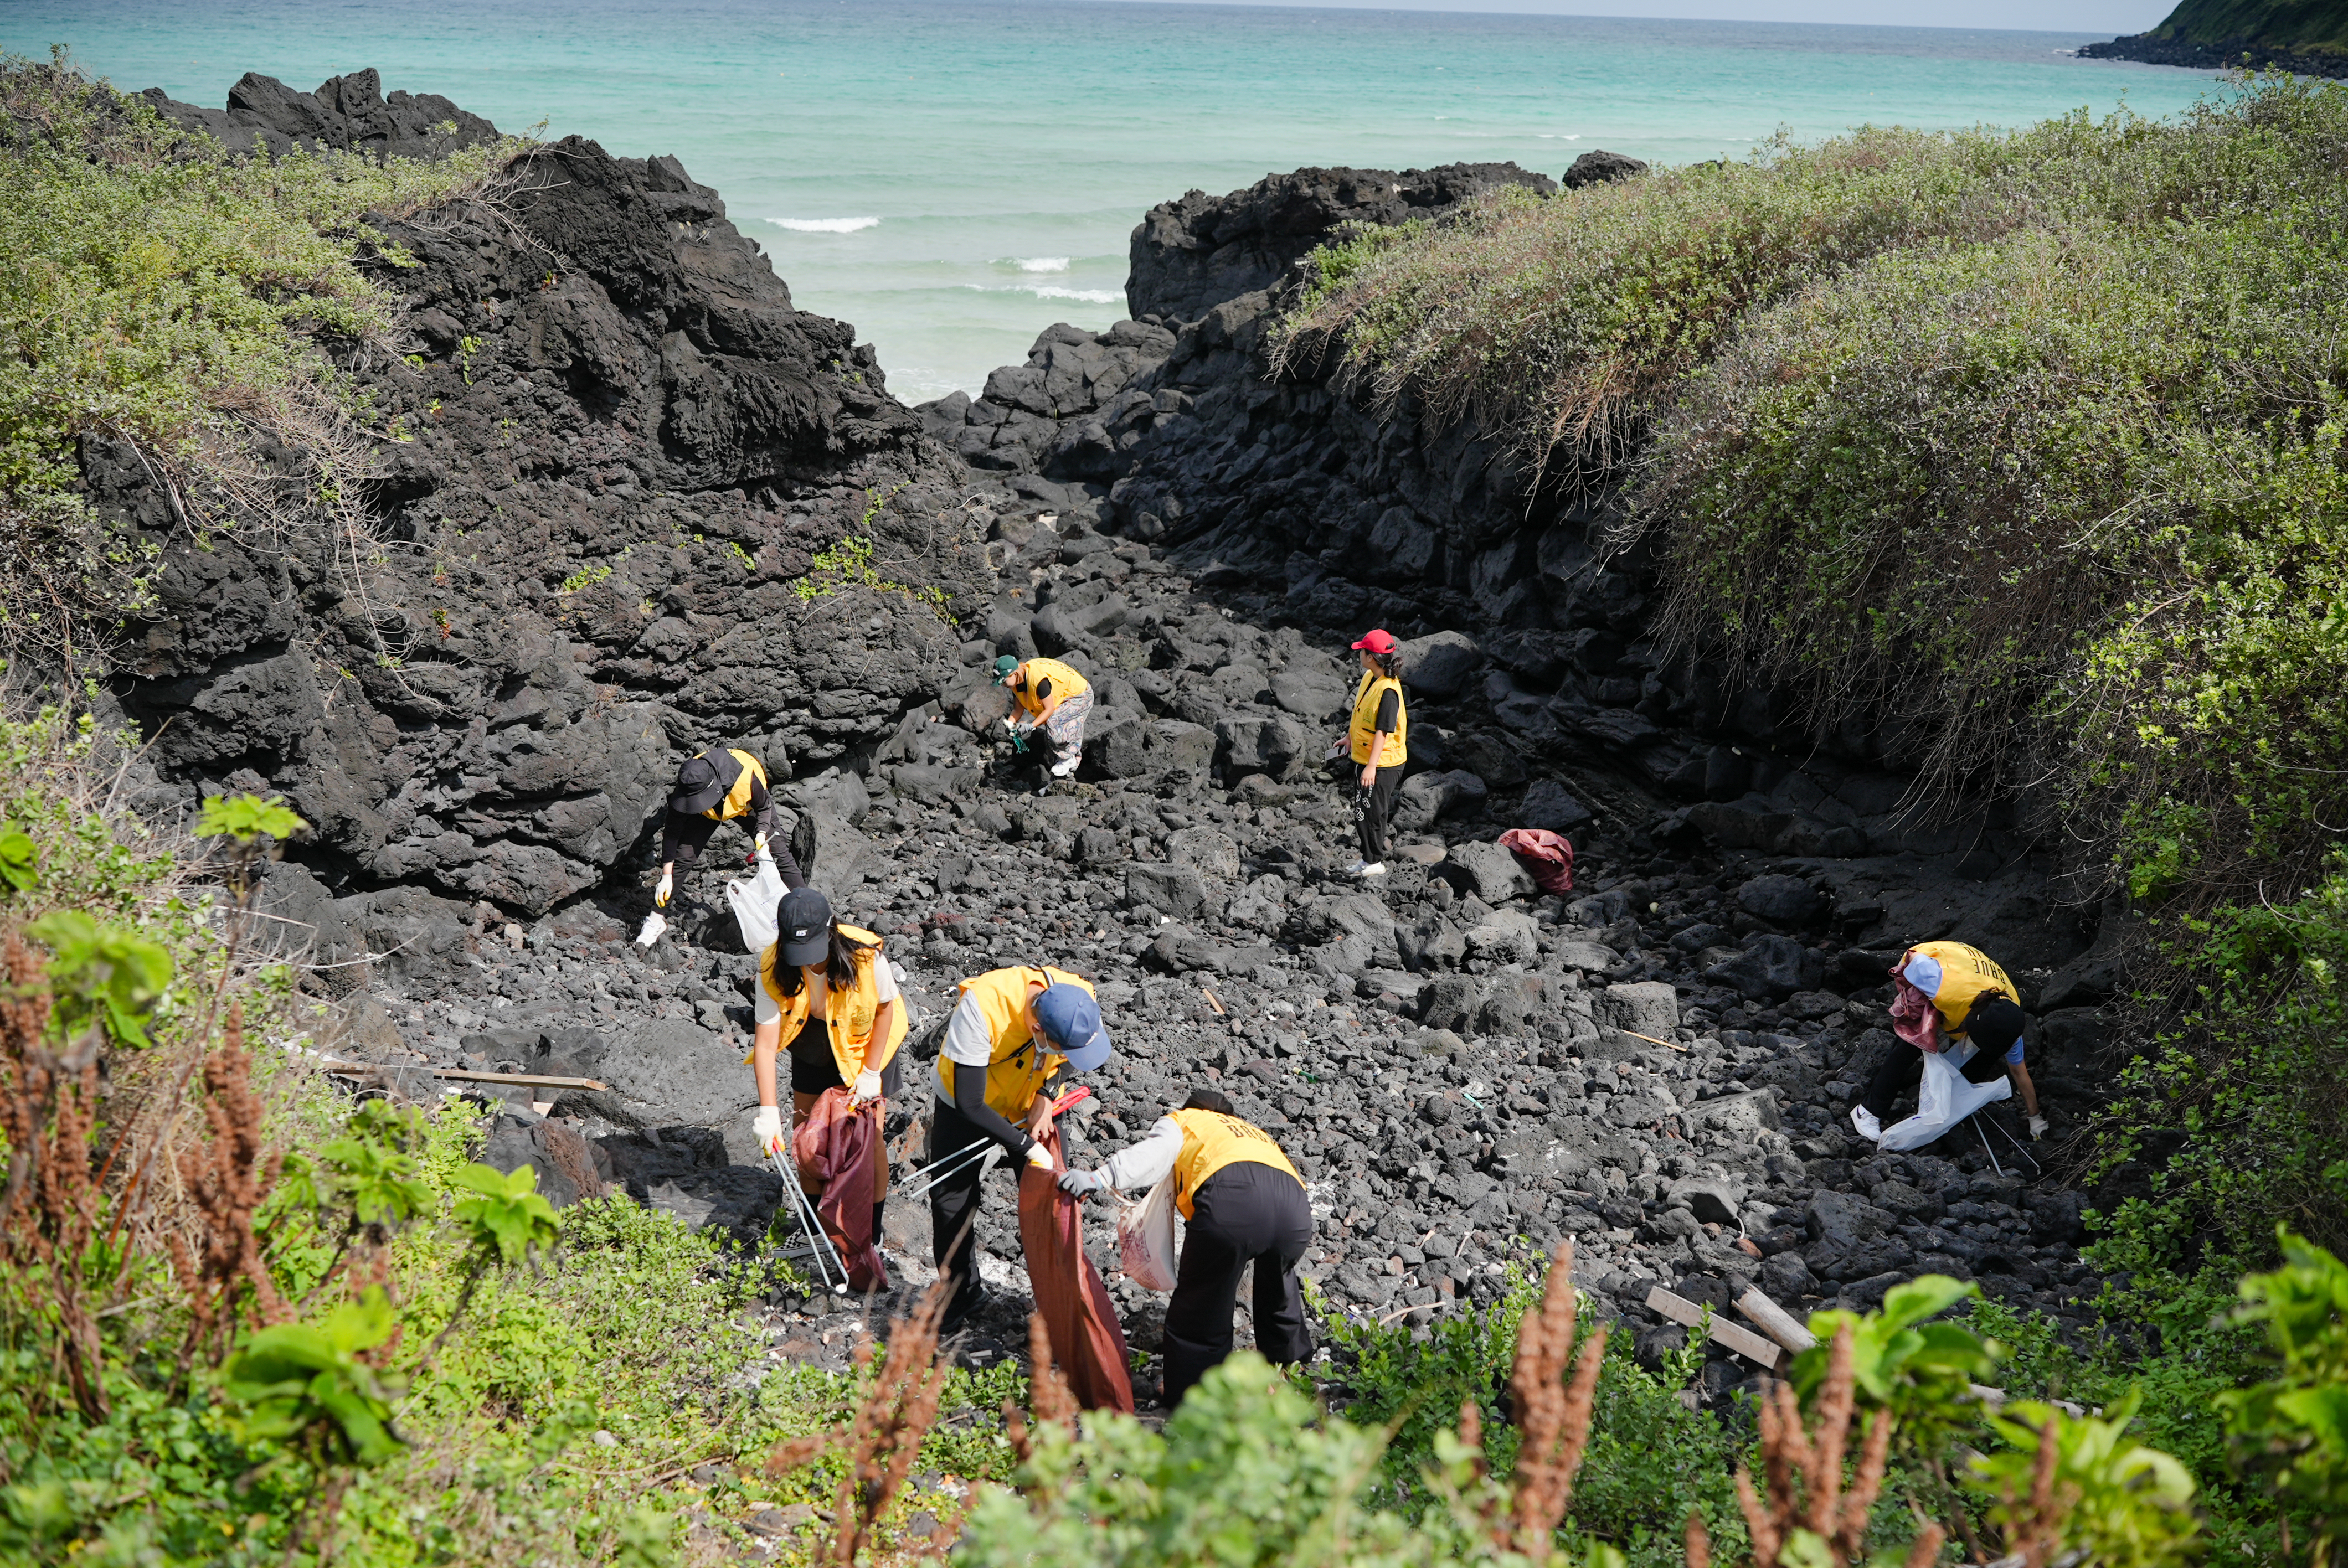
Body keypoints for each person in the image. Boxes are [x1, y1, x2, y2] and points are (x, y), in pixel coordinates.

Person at [1059, 1088, 1313, 1407]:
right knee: (1279, 1290)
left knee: (1202, 1306)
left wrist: (1098, 1178)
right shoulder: (1252, 1134)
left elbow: (1152, 1156)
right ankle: (1289, 1379)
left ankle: (1194, 1401)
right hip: (1296, 1213)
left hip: (1233, 1205)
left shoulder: (1185, 1120)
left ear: (1193, 1109)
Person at [926, 963, 1113, 1332]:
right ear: (1037, 1029)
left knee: (1052, 1201)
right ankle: (961, 1293)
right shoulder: (984, 1006)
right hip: (968, 1102)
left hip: (1032, 1102)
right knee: (951, 1201)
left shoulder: (1081, 999)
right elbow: (970, 1102)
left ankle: (1058, 1305)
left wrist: (1045, 1095)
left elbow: (1065, 1061)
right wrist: (1028, 1147)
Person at [749, 889, 908, 1238]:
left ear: (830, 931)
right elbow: (764, 1044)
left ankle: (872, 1230)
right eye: (799, 954)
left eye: (814, 953)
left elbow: (885, 1010)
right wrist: (768, 1111)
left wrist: (869, 1073)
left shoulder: (866, 956)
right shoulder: (772, 964)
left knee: (870, 1140)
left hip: (867, 1040)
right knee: (806, 1136)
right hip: (811, 1033)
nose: (808, 963)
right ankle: (813, 1228)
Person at [1851, 940, 2045, 1142]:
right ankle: (1869, 1110)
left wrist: (2036, 1118)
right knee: (1915, 1038)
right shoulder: (1939, 985)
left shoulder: (2007, 1019)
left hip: (1972, 975)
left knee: (1983, 1054)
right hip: (1936, 961)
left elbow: (2019, 1071)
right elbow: (1912, 957)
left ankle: (1953, 1106)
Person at [656, 746, 804, 913]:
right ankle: (655, 920)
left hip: (746, 806)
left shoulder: (748, 779)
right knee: (684, 857)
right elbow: (671, 833)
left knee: (779, 853)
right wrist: (667, 876)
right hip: (708, 814)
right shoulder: (688, 785)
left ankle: (809, 908)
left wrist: (762, 833)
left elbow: (764, 808)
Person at [1325, 629, 1407, 878]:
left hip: (1383, 763)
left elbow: (1383, 732)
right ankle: (1368, 858)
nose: (1359, 653)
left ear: (1370, 656)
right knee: (1364, 809)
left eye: (1362, 650)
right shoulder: (1370, 678)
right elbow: (1363, 716)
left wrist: (1372, 767)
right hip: (1366, 757)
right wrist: (1349, 739)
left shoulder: (1389, 691)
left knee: (1370, 811)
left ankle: (1374, 862)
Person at [996, 655, 1093, 780]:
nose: (1003, 685)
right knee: (1050, 737)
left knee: (1054, 724)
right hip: (1062, 699)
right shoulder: (1016, 685)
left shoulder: (1038, 679)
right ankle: (1062, 778)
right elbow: (1018, 710)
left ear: (1014, 674)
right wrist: (1010, 724)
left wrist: (1030, 726)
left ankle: (1070, 758)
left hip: (1080, 695)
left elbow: (1049, 709)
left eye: (1003, 681)